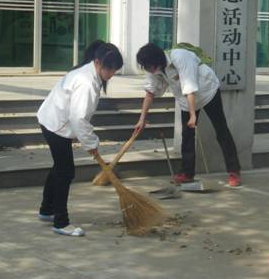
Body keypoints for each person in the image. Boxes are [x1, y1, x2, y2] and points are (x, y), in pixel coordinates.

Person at [36, 41, 123, 237]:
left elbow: (78, 118)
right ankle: (61, 222)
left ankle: (46, 209)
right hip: (56, 124)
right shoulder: (86, 82)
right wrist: (91, 143)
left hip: (54, 120)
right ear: (98, 62)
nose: (110, 74)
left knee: (59, 167)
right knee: (65, 172)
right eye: (109, 69)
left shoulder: (88, 73)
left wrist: (87, 140)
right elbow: (78, 117)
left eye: (114, 70)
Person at [134, 43, 242, 187]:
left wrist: (193, 116)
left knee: (221, 129)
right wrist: (142, 119)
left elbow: (189, 86)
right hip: (186, 100)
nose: (149, 70)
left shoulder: (180, 56)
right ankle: (187, 173)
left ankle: (234, 171)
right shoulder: (153, 69)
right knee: (187, 135)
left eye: (149, 66)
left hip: (207, 91)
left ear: (157, 59)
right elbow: (150, 93)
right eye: (146, 67)